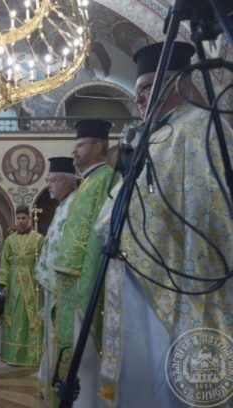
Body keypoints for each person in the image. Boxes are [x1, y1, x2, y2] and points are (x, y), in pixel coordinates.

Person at [96, 42, 232, 407]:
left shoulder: (201, 128)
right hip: (142, 278)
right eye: (137, 89)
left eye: (145, 88)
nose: (138, 98)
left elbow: (211, 210)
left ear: (177, 84)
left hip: (177, 281)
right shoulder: (158, 135)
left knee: (169, 377)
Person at [51, 119, 117, 407]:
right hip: (72, 278)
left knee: (87, 351)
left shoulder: (107, 179)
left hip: (84, 278)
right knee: (75, 348)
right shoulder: (89, 182)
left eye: (80, 145)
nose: (74, 151)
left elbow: (100, 233)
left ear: (98, 146)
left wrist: (91, 275)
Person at [35, 157, 78, 403]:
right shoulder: (63, 206)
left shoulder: (74, 205)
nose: (48, 185)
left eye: (52, 180)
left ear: (66, 182)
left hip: (63, 286)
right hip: (53, 285)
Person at [0, 205, 44, 366]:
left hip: (32, 282)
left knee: (32, 316)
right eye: (18, 218)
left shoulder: (39, 239)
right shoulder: (10, 240)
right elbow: (4, 263)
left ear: (29, 219)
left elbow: (43, 261)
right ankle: (13, 354)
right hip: (14, 283)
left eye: (24, 218)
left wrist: (41, 278)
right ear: (15, 219)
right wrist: (4, 283)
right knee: (14, 316)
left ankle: (32, 355)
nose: (21, 221)